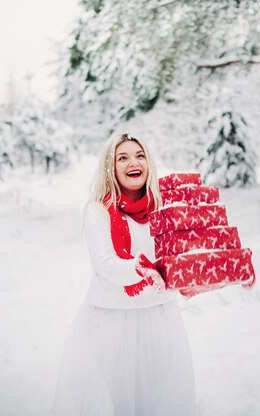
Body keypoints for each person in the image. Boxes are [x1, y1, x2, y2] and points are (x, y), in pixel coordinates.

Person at [52, 133, 195, 416]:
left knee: (161, 401)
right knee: (120, 405)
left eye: (140, 155)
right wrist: (149, 270)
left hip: (159, 318)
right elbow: (106, 266)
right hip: (111, 321)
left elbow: (179, 255)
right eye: (123, 157)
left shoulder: (161, 206)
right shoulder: (98, 209)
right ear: (111, 167)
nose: (134, 162)